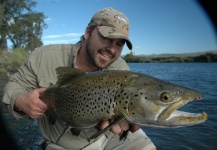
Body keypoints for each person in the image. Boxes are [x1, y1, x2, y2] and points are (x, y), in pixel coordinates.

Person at [2, 7, 156, 150]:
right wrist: (20, 101)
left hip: (105, 139)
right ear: (88, 32)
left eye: (119, 44)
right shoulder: (44, 57)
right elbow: (14, 86)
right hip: (57, 145)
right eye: (107, 37)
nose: (111, 49)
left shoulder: (121, 71)